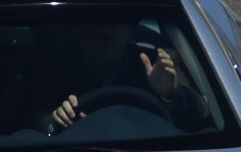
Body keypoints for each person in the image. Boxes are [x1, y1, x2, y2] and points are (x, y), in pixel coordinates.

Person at [16, 21, 208, 134]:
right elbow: (28, 125)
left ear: (128, 30)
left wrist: (172, 95)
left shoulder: (158, 63)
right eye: (93, 20)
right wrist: (54, 121)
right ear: (77, 30)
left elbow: (203, 113)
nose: (103, 27)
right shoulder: (51, 66)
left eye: (113, 19)